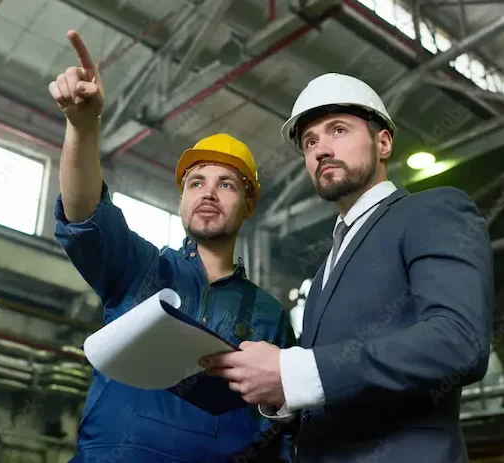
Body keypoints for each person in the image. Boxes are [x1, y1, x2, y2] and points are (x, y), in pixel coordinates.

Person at [200, 73, 494, 462]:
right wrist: (281, 391)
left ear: (383, 141)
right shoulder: (323, 274)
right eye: (310, 141)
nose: (321, 150)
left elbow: (460, 341)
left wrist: (296, 370)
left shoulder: (431, 211)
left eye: (338, 130)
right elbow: (331, 385)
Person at [49, 30, 297, 463]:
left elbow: (284, 426)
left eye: (226, 185)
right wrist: (82, 126)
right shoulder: (139, 268)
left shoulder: (270, 316)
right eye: (196, 182)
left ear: (249, 204)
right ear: (181, 199)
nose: (208, 193)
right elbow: (84, 212)